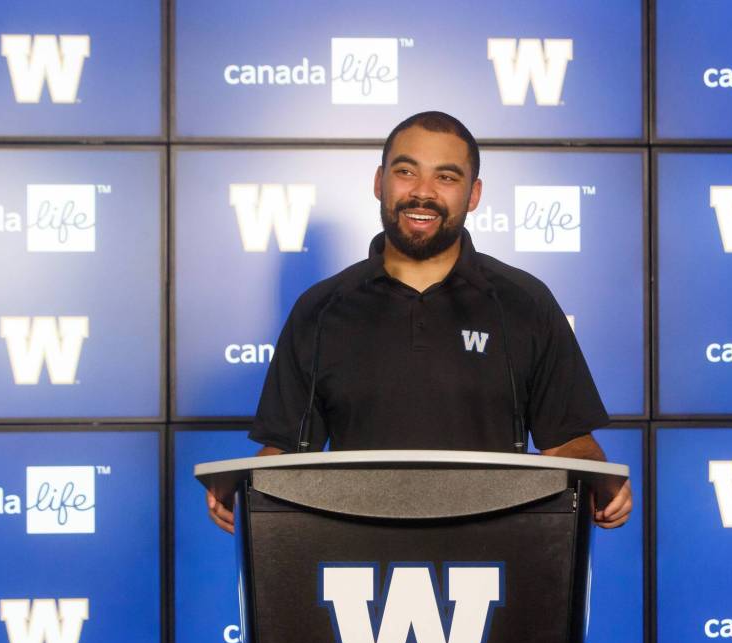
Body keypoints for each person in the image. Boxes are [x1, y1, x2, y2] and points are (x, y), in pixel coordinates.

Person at [207, 111, 632, 533]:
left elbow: (568, 441)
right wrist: (244, 491)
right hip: (356, 555)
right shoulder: (320, 308)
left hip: (496, 553)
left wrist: (602, 483)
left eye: (446, 177)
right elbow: (286, 451)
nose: (423, 192)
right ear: (379, 182)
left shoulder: (524, 302)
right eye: (406, 172)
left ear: (473, 194)